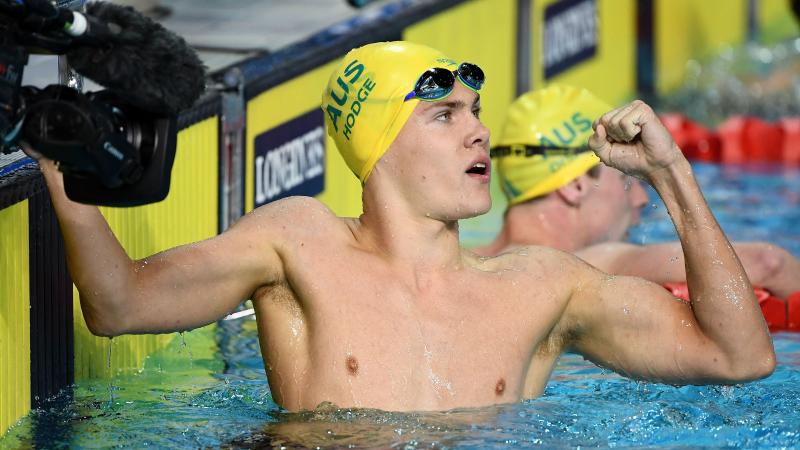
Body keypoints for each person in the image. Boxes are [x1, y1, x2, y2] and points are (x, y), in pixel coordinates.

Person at [28, 42, 774, 413]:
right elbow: (118, 305)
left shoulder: (545, 287)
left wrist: (674, 178)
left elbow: (740, 358)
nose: (477, 134)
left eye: (477, 115)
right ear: (378, 146)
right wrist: (68, 166)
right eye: (446, 116)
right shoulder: (299, 244)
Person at [476, 85, 800, 299]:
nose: (642, 200)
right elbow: (768, 263)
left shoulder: (464, 259)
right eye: (627, 180)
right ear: (576, 186)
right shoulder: (587, 264)